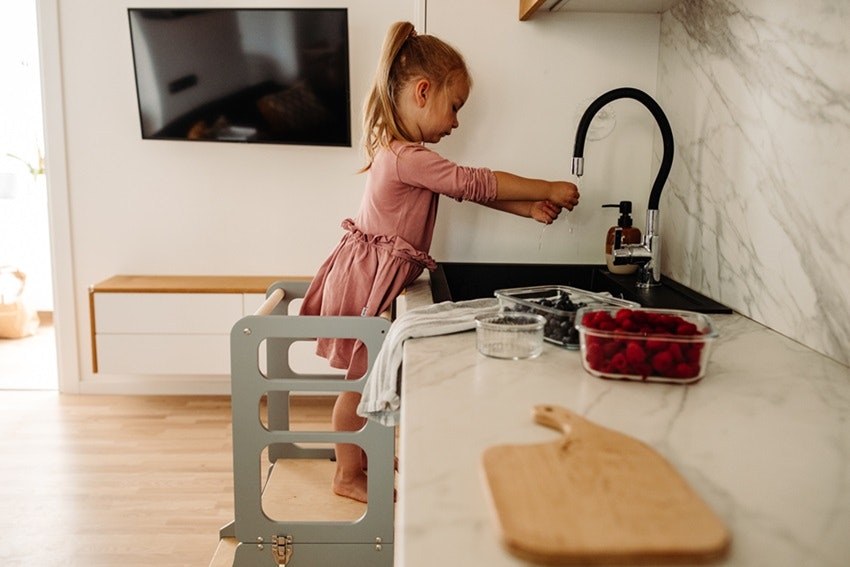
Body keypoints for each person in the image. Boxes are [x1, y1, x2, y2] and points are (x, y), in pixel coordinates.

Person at [299, 21, 580, 503]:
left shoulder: (408, 156)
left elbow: (469, 190)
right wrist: (546, 187)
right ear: (423, 92)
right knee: (361, 384)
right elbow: (474, 181)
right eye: (456, 106)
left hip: (372, 275)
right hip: (368, 278)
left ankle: (362, 456)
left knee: (368, 377)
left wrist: (526, 208)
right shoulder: (407, 157)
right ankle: (346, 474)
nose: (456, 122)